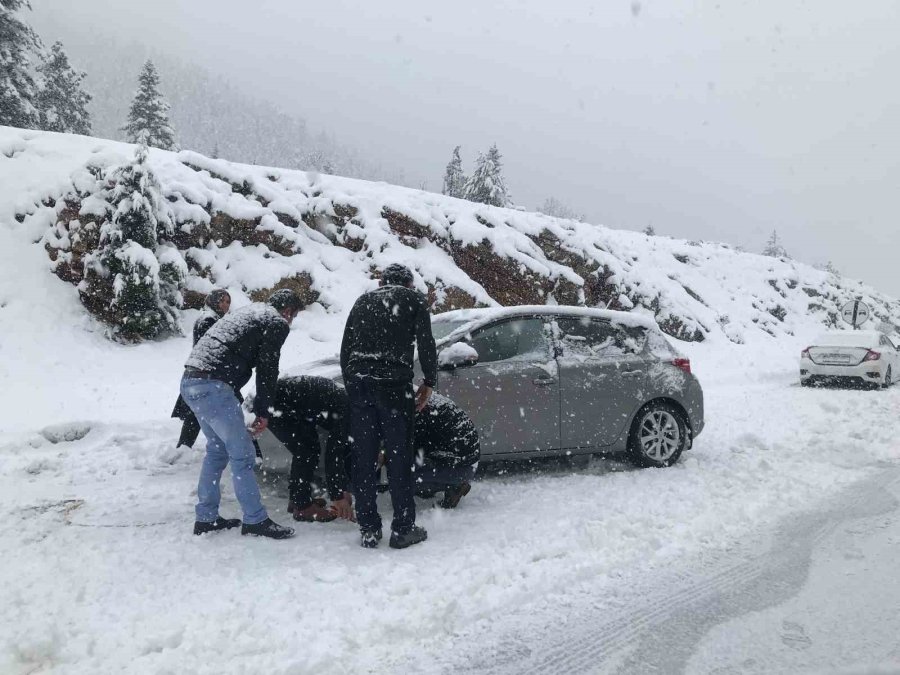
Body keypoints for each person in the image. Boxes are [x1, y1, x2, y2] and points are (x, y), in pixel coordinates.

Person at [181, 289, 303, 540]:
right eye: (293, 316)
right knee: (243, 454)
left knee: (217, 450)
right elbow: (268, 368)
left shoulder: (249, 312)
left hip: (190, 381)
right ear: (288, 311)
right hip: (214, 385)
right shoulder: (275, 321)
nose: (290, 322)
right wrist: (263, 411)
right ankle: (255, 520)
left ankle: (206, 517)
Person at [341, 263, 438, 549]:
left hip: (360, 384)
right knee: (399, 458)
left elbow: (346, 348)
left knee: (365, 458)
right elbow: (426, 343)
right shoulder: (412, 300)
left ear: (382, 282)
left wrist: (354, 386)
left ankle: (369, 529)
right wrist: (430, 380)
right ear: (408, 284)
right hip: (393, 386)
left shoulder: (362, 302)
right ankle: (402, 528)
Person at [268, 375, 353, 523]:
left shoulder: (352, 409)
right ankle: (302, 507)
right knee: (307, 450)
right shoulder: (350, 415)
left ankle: (297, 499)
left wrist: (343, 488)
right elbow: (334, 454)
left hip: (287, 402)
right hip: (278, 403)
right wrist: (338, 495)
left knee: (308, 448)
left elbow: (343, 453)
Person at [171, 289, 231, 449]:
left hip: (203, 372)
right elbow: (212, 347)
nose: (225, 305)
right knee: (203, 411)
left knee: (198, 412)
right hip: (206, 373)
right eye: (222, 301)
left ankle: (184, 447)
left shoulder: (213, 318)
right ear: (214, 301)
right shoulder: (209, 320)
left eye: (227, 302)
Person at [412, 393, 480, 509]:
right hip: (467, 460)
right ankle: (440, 484)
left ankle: (456, 486)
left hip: (461, 466)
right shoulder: (422, 396)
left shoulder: (418, 410)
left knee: (401, 472)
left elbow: (417, 449)